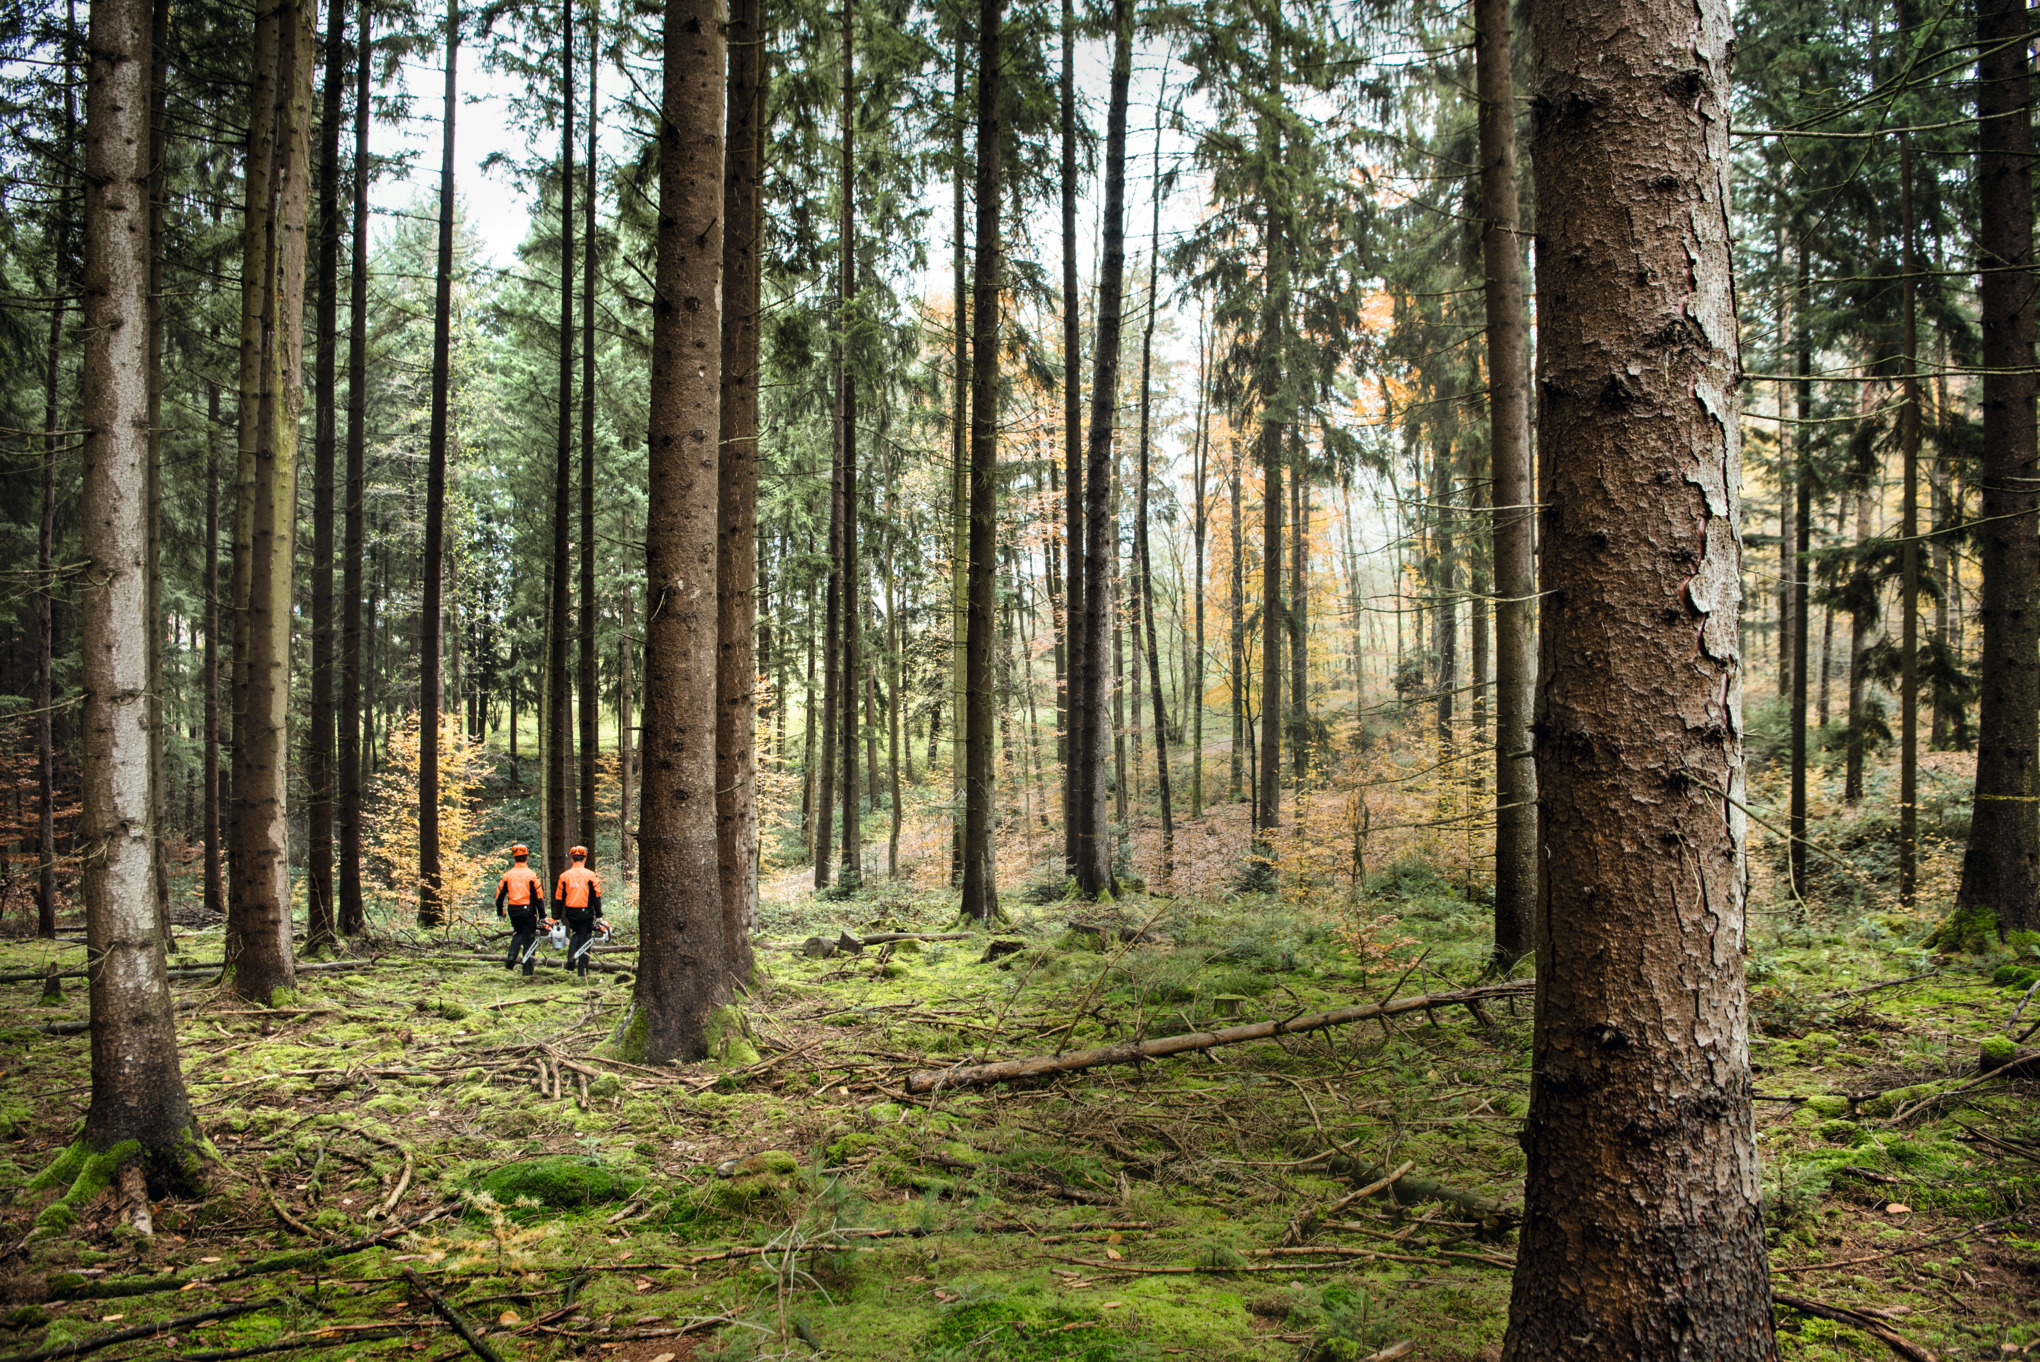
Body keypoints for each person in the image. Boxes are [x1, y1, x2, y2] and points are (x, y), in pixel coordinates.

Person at [552, 845, 602, 980]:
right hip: (586, 911)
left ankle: (571, 959)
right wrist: (599, 916)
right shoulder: (590, 875)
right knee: (584, 937)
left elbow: (559, 898)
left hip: (570, 912)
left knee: (575, 933)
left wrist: (557, 916)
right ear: (585, 858)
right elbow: (596, 897)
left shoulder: (564, 876)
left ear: (572, 859)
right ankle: (582, 971)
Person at [496, 845, 545, 975]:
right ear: (527, 857)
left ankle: (511, 957)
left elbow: (499, 896)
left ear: (514, 858)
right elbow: (539, 897)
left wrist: (500, 912)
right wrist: (542, 916)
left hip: (513, 909)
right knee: (528, 938)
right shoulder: (531, 875)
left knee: (518, 932)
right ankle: (527, 971)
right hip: (528, 910)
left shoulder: (507, 875)